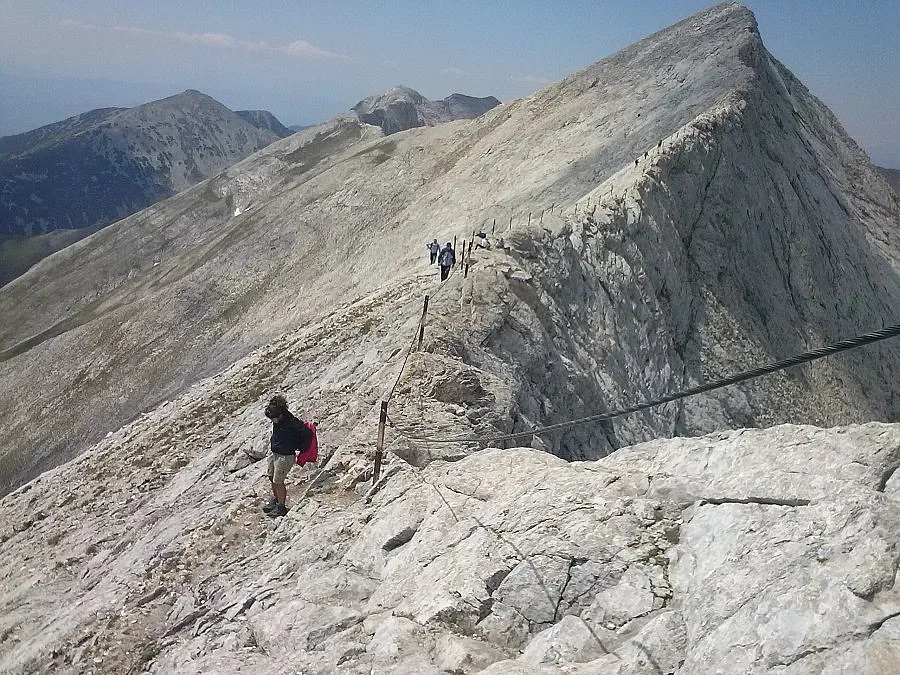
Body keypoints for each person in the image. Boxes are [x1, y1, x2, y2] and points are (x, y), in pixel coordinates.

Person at [262, 394, 312, 517]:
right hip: (275, 453)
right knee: (271, 476)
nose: (272, 420)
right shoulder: (278, 417)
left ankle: (281, 507)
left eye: (273, 418)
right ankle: (276, 499)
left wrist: (301, 448)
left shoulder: (292, 422)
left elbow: (307, 433)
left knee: (278, 481)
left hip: (285, 456)